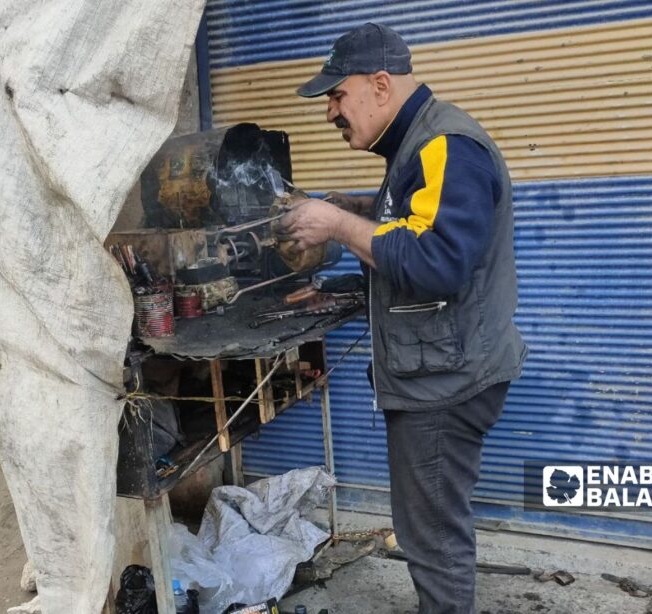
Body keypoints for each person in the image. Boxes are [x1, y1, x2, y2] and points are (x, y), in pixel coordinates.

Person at [280, 23, 528, 614]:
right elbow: (416, 221)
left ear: (381, 84)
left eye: (338, 96)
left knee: (432, 539)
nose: (331, 113)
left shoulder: (445, 145)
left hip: (446, 383)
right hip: (441, 368)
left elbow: (437, 261)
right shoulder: (414, 145)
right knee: (430, 526)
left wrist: (338, 226)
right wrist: (355, 208)